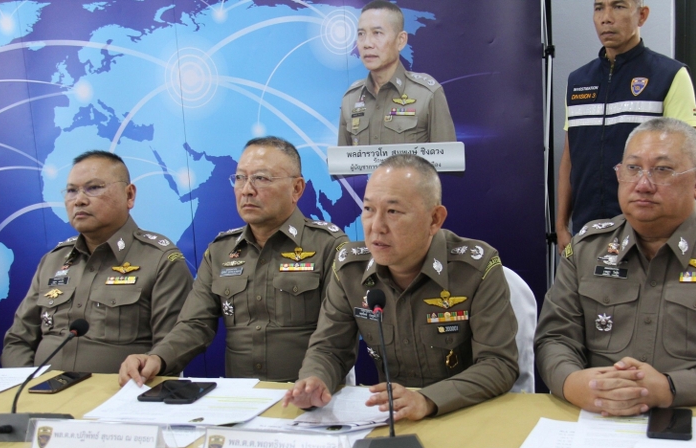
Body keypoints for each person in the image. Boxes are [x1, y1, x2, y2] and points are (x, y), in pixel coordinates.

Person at [536, 118, 696, 416]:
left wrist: (670, 389)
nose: (643, 185)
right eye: (633, 168)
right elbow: (555, 338)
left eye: (662, 170)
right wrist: (572, 382)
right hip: (601, 417)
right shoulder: (588, 249)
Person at [283, 154, 519, 420]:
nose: (376, 227)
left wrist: (428, 400)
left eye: (393, 212)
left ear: (434, 219)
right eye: (369, 209)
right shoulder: (350, 269)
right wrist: (314, 379)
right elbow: (329, 349)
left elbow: (498, 364)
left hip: (463, 413)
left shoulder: (476, 268)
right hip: (391, 418)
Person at [119, 137, 348, 385]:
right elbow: (195, 324)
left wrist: (315, 380)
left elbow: (337, 333)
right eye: (240, 178)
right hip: (242, 397)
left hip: (310, 391)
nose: (247, 189)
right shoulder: (221, 251)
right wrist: (157, 358)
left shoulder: (328, 245)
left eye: (261, 178)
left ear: (297, 189)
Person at [1, 151, 193, 373]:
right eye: (71, 191)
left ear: (129, 195)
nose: (79, 200)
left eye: (93, 188)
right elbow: (18, 340)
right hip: (38, 390)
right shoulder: (53, 261)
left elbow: (172, 345)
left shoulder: (160, 259)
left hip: (121, 391)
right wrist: (26, 384)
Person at [556, 0, 696, 253]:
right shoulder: (578, 81)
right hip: (586, 231)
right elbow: (570, 157)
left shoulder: (670, 75)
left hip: (649, 233)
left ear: (642, 15)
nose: (606, 18)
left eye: (618, 6)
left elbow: (686, 162)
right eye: (599, 8)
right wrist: (561, 225)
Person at [338, 0, 456, 146]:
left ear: (401, 40)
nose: (367, 43)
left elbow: (448, 159)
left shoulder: (427, 94)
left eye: (377, 33)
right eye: (361, 34)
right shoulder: (351, 99)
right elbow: (342, 160)